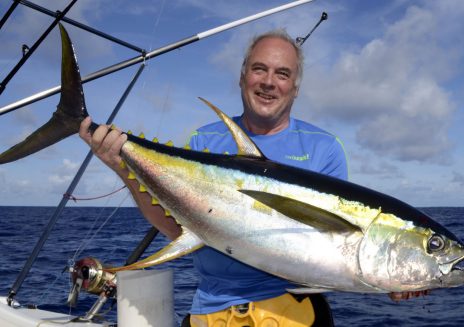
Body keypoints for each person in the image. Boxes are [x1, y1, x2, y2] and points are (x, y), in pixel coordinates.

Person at [79, 30, 426, 327]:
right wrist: (122, 166)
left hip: (294, 312)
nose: (269, 82)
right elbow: (177, 228)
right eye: (259, 69)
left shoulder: (325, 149)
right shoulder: (205, 141)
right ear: (243, 75)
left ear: (295, 87)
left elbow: (336, 255)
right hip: (212, 311)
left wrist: (388, 276)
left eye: (282, 73)